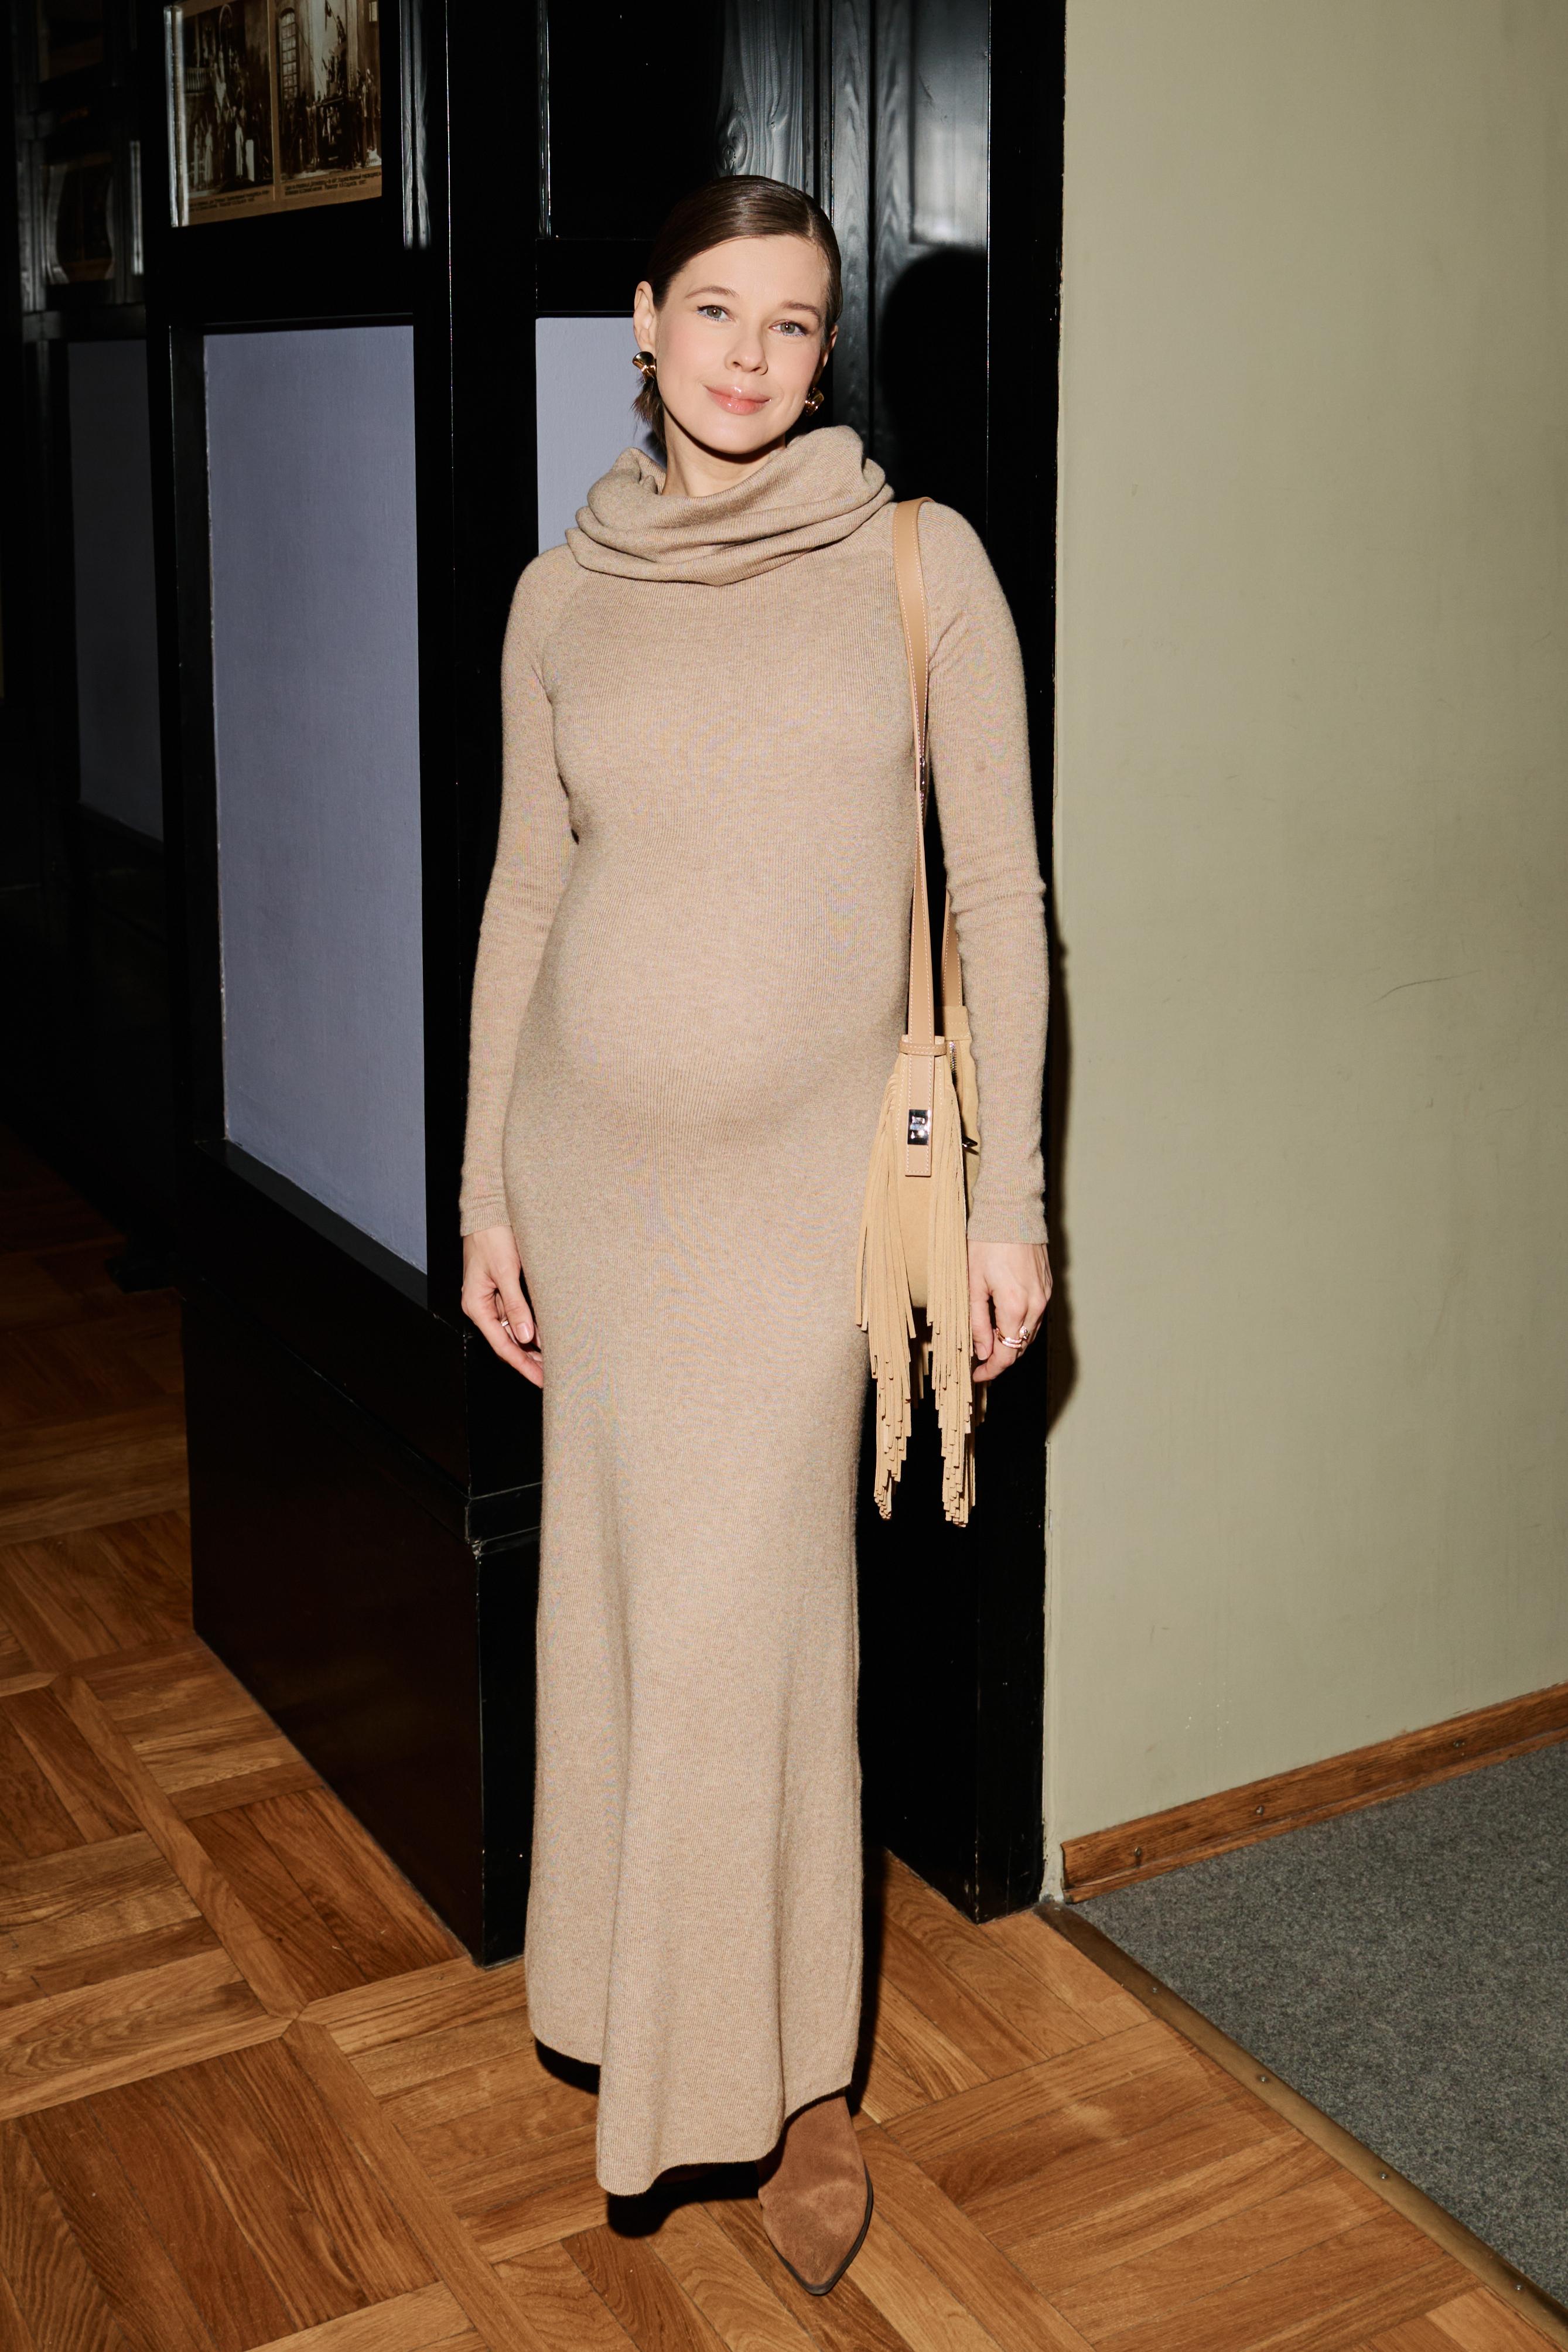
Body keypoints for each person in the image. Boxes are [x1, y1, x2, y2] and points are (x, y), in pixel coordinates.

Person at [459, 173, 1050, 2296]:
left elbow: (1001, 897)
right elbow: (528, 895)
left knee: (764, 1626)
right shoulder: (561, 597)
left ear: (824, 354)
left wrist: (1011, 1206)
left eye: (793, 324)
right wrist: (485, 1187)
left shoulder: (917, 563)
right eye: (716, 311)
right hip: (597, 1182)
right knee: (624, 1615)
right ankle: (637, 2005)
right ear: (644, 320)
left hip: (813, 1199)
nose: (750, 356)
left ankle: (799, 2084)